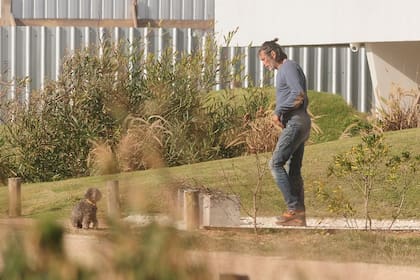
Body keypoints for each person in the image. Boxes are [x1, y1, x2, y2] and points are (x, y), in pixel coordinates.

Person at [258, 38, 311, 226]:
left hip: (296, 122)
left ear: (273, 54)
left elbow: (298, 94)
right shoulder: (286, 70)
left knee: (275, 164)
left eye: (264, 60)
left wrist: (278, 112)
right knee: (294, 171)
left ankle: (293, 209)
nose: (264, 65)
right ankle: (300, 217)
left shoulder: (287, 68)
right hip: (300, 121)